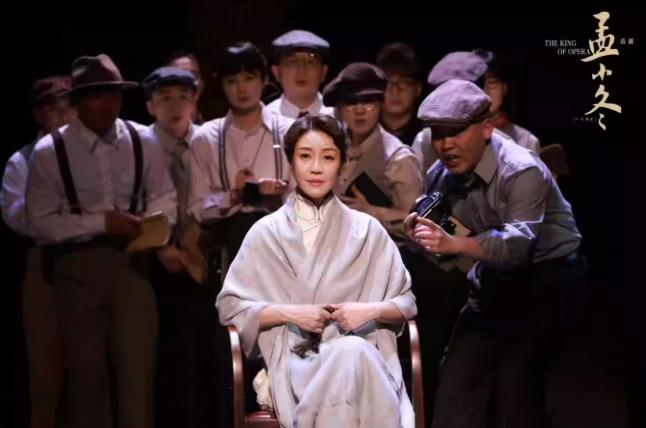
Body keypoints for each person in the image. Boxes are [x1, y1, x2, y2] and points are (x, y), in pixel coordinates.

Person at [216, 114, 417, 428]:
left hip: (364, 360)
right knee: (352, 354)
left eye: (328, 157)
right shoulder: (266, 233)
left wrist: (369, 310)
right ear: (291, 162)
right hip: (297, 362)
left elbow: (405, 302)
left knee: (353, 352)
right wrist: (291, 313)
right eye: (305, 156)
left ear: (342, 164)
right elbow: (230, 307)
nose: (316, 168)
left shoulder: (367, 230)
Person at [406, 79, 586, 428]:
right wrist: (421, 235)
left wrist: (455, 244)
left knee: (514, 393)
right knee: (455, 394)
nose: (446, 144)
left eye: (456, 132)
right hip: (491, 281)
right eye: (438, 134)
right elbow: (449, 250)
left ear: (486, 128)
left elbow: (517, 246)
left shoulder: (521, 170)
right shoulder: (439, 176)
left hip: (548, 281)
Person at [25, 54, 177, 428]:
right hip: (76, 270)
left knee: (138, 376)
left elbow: (165, 195)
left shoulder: (143, 140)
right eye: (97, 95)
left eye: (113, 94)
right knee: (86, 382)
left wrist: (151, 222)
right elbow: (39, 222)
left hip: (132, 266)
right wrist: (102, 222)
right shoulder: (51, 151)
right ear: (77, 102)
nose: (107, 103)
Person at [142, 66, 220, 428]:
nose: (175, 106)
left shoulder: (206, 141)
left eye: (183, 98)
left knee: (203, 353)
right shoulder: (140, 144)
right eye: (165, 98)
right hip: (153, 262)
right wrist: (160, 247)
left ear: (195, 101)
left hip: (200, 259)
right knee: (163, 356)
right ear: (150, 105)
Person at [1, 75, 74, 428]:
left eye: (70, 109)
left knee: (89, 367)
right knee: (46, 366)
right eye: (55, 111)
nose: (64, 118)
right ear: (39, 115)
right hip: (44, 264)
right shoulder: (23, 161)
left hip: (88, 259)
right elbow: (17, 215)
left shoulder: (89, 154)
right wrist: (58, 218)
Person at [188, 41, 293, 268]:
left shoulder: (290, 132)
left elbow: (308, 199)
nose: (241, 88)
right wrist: (233, 195)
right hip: (228, 251)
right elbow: (197, 207)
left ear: (264, 80)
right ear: (222, 86)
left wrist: (278, 195)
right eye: (232, 81)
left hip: (283, 248)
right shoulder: (205, 139)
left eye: (249, 78)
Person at [322, 62, 422, 240]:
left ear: (381, 104)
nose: (360, 111)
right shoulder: (333, 147)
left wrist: (373, 212)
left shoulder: (398, 158)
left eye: (368, 102)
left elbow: (417, 223)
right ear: (339, 110)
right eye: (351, 103)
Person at [267, 29, 334, 118]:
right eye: (292, 62)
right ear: (277, 72)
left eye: (310, 62)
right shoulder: (265, 119)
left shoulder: (338, 118)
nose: (301, 71)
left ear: (323, 72)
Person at [376, 42, 425, 146]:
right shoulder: (363, 130)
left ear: (418, 89)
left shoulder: (429, 136)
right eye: (387, 83)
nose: (395, 90)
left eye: (404, 83)